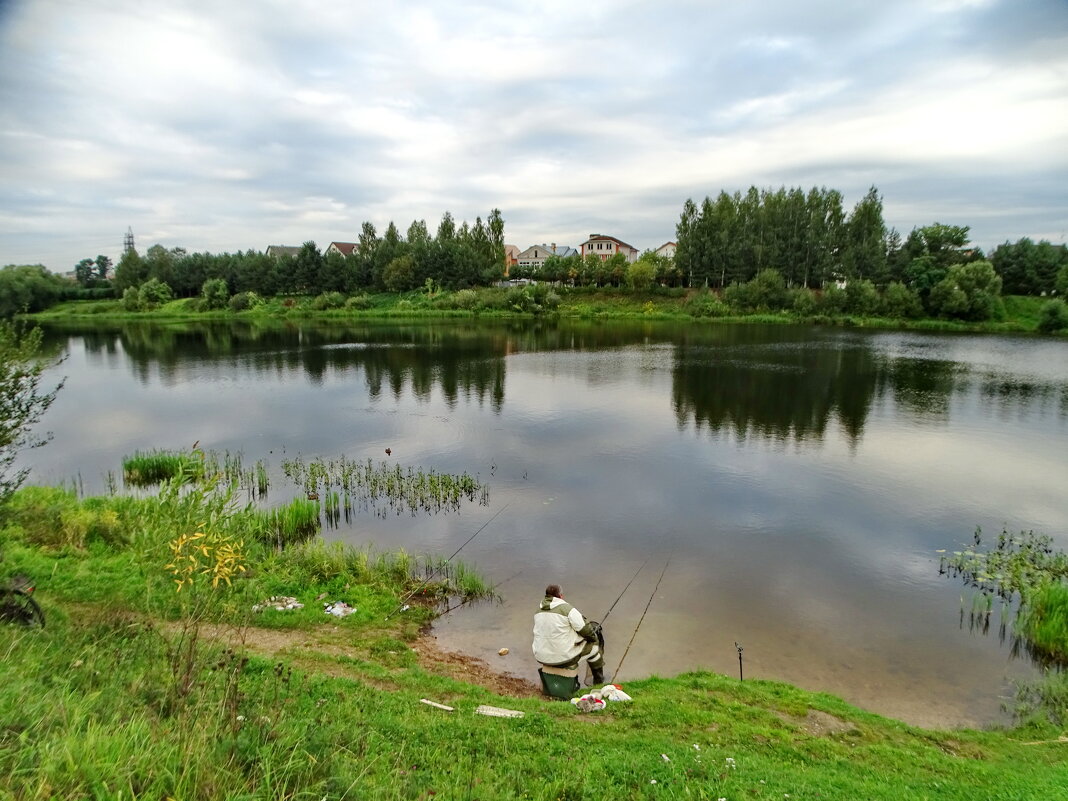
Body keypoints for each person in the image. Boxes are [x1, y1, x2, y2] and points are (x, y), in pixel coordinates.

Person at [532, 584, 605, 684]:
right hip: (563, 659)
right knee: (595, 646)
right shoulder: (567, 609)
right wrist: (593, 636)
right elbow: (586, 630)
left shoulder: (537, 612)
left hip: (541, 657)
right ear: (561, 596)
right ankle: (598, 680)